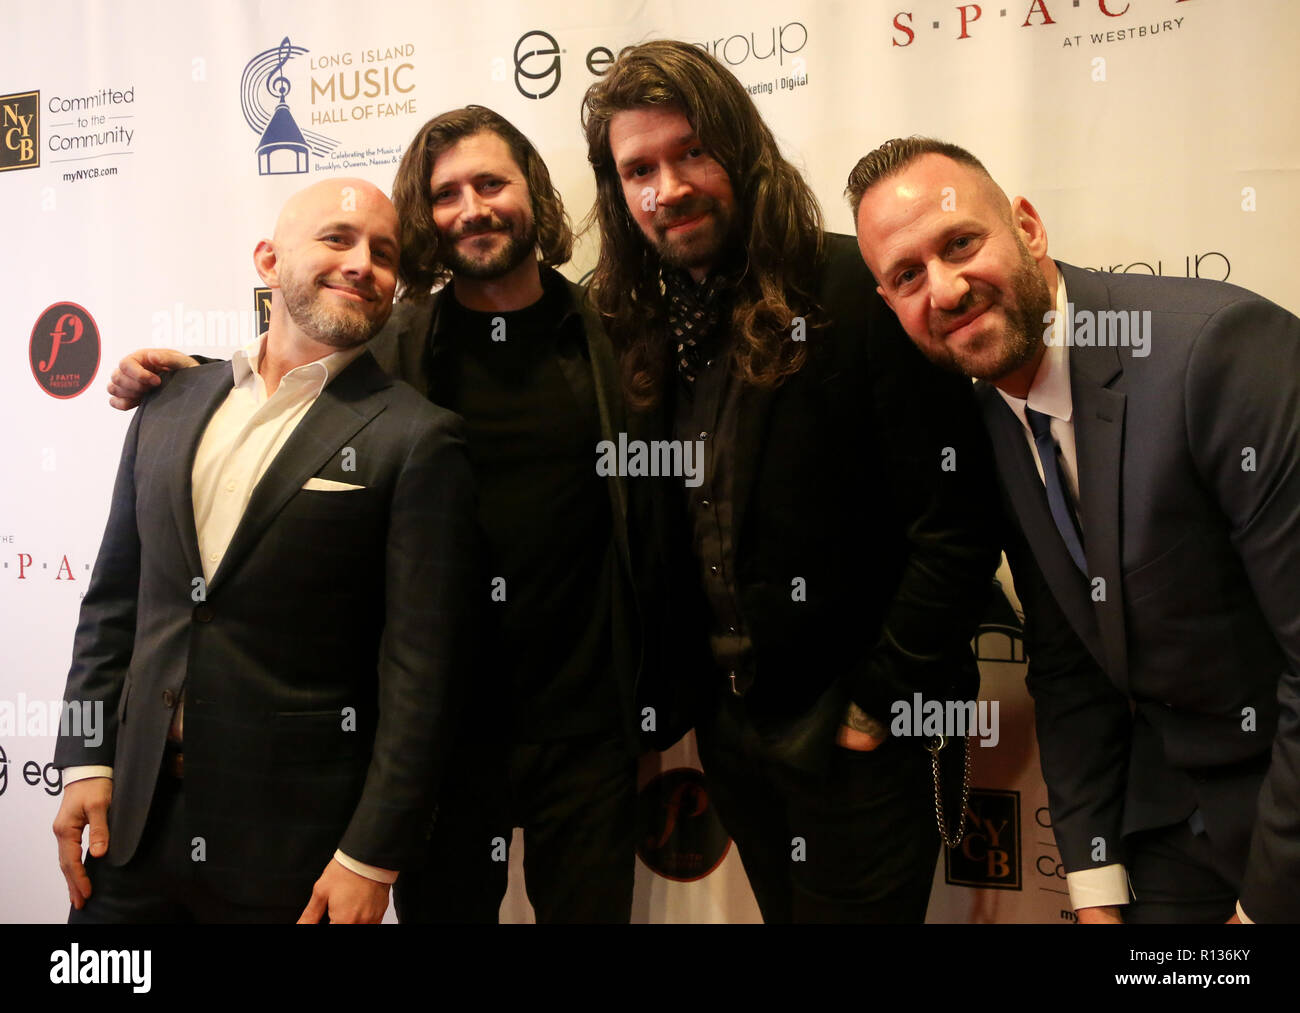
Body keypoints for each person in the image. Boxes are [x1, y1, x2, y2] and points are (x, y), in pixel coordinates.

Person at [105, 108, 649, 924]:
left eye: (491, 183)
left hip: (586, 732)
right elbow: (292, 365)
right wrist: (190, 381)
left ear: (531, 188)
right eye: (446, 194)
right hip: (438, 742)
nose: (472, 208)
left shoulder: (611, 336)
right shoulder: (390, 345)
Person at [580, 42, 1000, 922]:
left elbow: (956, 517)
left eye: (692, 151)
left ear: (742, 146)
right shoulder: (634, 327)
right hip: (732, 736)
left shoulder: (856, 287)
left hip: (865, 737)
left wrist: (878, 701)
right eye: (639, 169)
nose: (669, 187)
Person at [849, 136, 1300, 923]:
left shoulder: (1221, 355)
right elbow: (1066, 658)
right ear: (889, 305)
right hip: (1169, 818)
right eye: (907, 276)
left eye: (960, 243)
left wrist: (1263, 909)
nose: (946, 289)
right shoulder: (979, 413)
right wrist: (1093, 887)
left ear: (1028, 227)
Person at [51, 178, 479, 923]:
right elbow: (115, 601)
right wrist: (86, 757)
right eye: (338, 239)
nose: (363, 264)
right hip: (132, 830)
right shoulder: (168, 400)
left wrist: (371, 853)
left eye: (384, 254)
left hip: (295, 856)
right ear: (268, 258)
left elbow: (422, 670)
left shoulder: (416, 437)